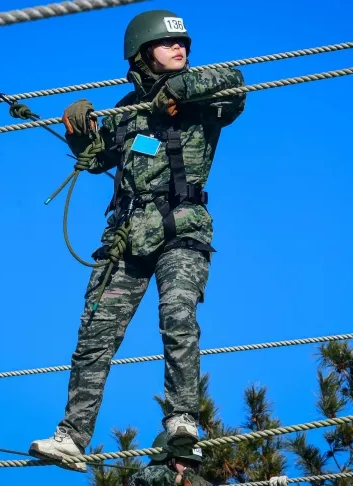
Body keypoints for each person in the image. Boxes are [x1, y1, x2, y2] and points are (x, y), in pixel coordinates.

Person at [28, 9, 246, 473]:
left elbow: (236, 83)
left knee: (177, 316)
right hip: (127, 236)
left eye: (184, 43)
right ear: (143, 54)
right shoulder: (127, 114)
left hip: (181, 228)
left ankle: (182, 421)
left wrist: (179, 90)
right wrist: (80, 127)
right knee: (95, 334)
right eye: (169, 44)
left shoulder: (203, 99)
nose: (180, 49)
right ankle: (72, 436)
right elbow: (94, 157)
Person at [129, 431, 210, 486]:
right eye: (184, 461)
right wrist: (182, 479)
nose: (189, 467)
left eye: (193, 464)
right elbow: (146, 475)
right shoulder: (144, 478)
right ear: (169, 461)